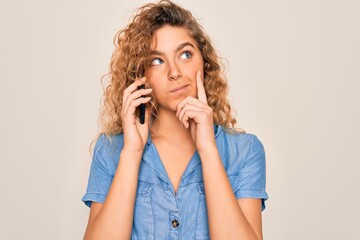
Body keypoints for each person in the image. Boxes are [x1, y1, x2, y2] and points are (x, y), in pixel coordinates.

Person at [82, 0, 268, 239]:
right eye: (156, 61)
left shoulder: (245, 152)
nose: (174, 72)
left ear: (205, 62)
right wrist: (132, 153)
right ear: (140, 75)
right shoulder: (110, 151)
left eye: (185, 54)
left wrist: (208, 150)